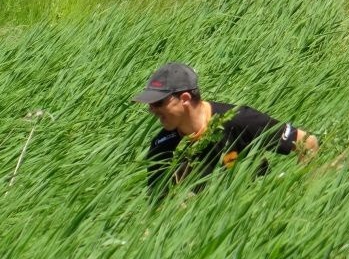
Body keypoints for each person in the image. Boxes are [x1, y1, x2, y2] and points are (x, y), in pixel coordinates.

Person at [132, 62, 318, 195]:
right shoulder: (161, 145)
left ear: (185, 99)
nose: (152, 110)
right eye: (149, 105)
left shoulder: (239, 120)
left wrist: (302, 194)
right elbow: (158, 204)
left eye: (158, 103)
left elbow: (307, 142)